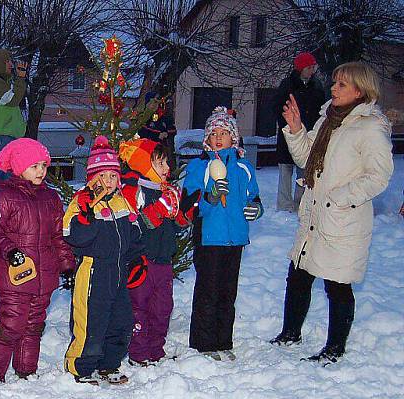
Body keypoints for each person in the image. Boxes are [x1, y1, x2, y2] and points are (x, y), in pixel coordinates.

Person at [270, 61, 393, 364]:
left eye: (341, 84)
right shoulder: (329, 116)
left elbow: (380, 175)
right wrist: (297, 129)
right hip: (314, 215)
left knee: (337, 284)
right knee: (298, 274)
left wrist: (341, 197)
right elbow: (306, 156)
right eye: (334, 82)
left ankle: (335, 348)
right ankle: (290, 333)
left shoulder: (370, 126)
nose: (333, 89)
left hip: (343, 218)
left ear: (359, 91)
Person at [0, 138, 74, 385]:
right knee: (12, 324)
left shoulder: (51, 198)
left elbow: (57, 235)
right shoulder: (4, 195)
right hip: (15, 274)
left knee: (34, 325)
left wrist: (67, 266)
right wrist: (10, 252)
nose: (41, 171)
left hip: (45, 275)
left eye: (44, 165)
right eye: (35, 166)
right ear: (20, 167)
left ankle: (26, 369)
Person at [63, 136, 145, 385]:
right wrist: (87, 214)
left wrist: (137, 260)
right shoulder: (83, 202)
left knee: (121, 321)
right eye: (103, 177)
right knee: (91, 322)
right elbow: (72, 235)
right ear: (92, 178)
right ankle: (82, 367)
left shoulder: (123, 202)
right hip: (93, 272)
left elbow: (135, 235)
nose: (108, 182)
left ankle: (110, 364)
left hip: (118, 272)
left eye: (112, 176)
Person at [183, 107, 262, 361]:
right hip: (209, 238)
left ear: (234, 138)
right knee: (208, 290)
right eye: (213, 133)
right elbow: (190, 205)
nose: (218, 137)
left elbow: (254, 196)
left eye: (224, 133)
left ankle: (223, 339)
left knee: (228, 291)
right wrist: (211, 197)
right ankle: (203, 343)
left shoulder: (243, 167)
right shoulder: (200, 166)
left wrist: (255, 209)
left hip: (235, 238)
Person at [119, 140, 199, 366]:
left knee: (162, 308)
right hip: (142, 262)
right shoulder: (134, 191)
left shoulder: (167, 192)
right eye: (160, 163)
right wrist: (156, 211)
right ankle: (138, 352)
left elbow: (172, 225)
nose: (167, 169)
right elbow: (133, 227)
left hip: (164, 261)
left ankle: (156, 349)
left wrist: (185, 215)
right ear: (144, 164)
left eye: (167, 163)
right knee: (139, 308)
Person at [275, 52, 326, 212]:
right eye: (309, 67)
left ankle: (299, 204)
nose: (312, 70)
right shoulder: (287, 85)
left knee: (304, 171)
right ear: (301, 68)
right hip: (287, 135)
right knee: (285, 171)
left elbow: (321, 110)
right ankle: (284, 205)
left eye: (313, 67)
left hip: (308, 135)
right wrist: (289, 124)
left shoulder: (317, 86)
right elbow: (277, 107)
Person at [0, 49, 27, 188]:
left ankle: (1, 202)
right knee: (8, 173)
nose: (11, 64)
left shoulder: (3, 83)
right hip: (3, 137)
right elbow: (13, 100)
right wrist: (20, 79)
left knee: (9, 172)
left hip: (8, 136)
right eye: (7, 61)